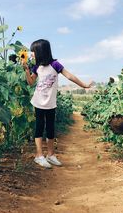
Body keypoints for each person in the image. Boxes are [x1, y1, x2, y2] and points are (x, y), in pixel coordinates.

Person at [23, 39, 93, 168]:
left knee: (50, 128)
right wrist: (27, 70)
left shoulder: (55, 65)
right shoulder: (36, 67)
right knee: (39, 127)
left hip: (50, 102)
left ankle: (51, 155)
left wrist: (84, 85)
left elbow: (70, 76)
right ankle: (39, 155)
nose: (31, 54)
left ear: (40, 52)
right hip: (38, 102)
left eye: (33, 51)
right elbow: (31, 82)